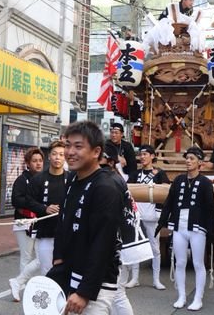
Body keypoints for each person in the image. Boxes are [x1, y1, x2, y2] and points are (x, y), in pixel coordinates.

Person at [49, 121, 122, 315]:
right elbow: (62, 224)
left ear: (96, 152)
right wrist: (58, 259)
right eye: (67, 145)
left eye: (78, 146)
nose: (70, 152)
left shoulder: (105, 187)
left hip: (96, 285)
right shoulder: (73, 180)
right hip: (70, 273)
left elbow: (103, 244)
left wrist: (85, 292)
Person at [157, 146, 214, 311]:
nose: (188, 161)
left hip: (197, 227)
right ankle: (181, 296)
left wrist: (211, 231)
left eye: (192, 158)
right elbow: (169, 202)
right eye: (187, 158)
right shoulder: (178, 180)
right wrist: (162, 221)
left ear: (200, 163)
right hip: (179, 226)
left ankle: (198, 298)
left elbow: (210, 208)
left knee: (198, 263)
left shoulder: (205, 183)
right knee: (180, 261)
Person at [9, 141, 67, 302]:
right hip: (44, 232)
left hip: (66, 234)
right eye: (55, 154)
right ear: (50, 155)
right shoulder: (38, 180)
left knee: (65, 270)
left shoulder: (71, 178)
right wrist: (44, 208)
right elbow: (27, 200)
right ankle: (46, 303)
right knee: (46, 270)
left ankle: (61, 303)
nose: (58, 158)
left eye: (61, 154)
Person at [126, 144, 169, 290]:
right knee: (135, 246)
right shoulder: (134, 174)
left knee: (155, 248)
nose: (142, 157)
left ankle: (156, 279)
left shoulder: (159, 174)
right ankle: (135, 278)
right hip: (137, 215)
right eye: (141, 154)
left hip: (152, 216)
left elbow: (165, 192)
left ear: (152, 156)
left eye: (145, 154)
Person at [100, 142, 135, 315]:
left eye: (100, 156)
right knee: (115, 293)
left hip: (116, 244)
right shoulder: (115, 178)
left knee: (116, 293)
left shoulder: (110, 181)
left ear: (111, 161)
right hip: (120, 242)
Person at [11, 147, 44, 273]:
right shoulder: (22, 180)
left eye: (40, 160)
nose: (38, 163)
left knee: (42, 256)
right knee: (26, 257)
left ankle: (22, 283)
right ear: (28, 163)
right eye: (34, 160)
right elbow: (16, 200)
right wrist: (35, 203)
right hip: (24, 222)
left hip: (39, 222)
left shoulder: (43, 179)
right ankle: (21, 285)